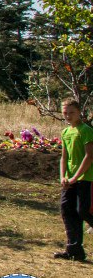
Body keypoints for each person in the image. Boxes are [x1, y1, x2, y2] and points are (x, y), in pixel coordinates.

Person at [54, 99, 93, 261]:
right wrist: (64, 176)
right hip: (69, 181)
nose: (68, 116)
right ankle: (74, 250)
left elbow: (89, 156)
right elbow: (64, 157)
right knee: (67, 211)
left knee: (83, 211)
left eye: (71, 112)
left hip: (85, 178)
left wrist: (76, 177)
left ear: (79, 112)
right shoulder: (65, 132)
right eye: (65, 113)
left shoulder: (86, 130)